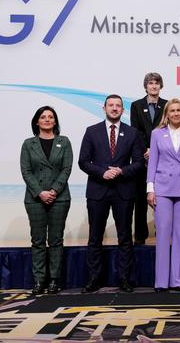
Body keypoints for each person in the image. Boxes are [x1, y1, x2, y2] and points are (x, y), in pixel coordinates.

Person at [78, 94, 145, 293]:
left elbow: (140, 163)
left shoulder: (132, 133)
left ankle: (124, 279)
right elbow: (83, 161)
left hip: (123, 191)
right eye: (111, 105)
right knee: (94, 237)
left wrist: (121, 171)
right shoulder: (92, 131)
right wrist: (103, 172)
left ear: (123, 110)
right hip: (98, 191)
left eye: (118, 106)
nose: (115, 108)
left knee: (125, 237)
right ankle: (93, 279)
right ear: (104, 108)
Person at [147, 99, 180, 292]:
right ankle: (161, 282)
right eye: (173, 111)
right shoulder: (156, 134)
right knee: (162, 234)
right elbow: (152, 162)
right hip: (162, 189)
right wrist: (150, 189)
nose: (176, 113)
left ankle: (178, 281)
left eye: (179, 110)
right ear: (167, 114)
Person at [20, 106, 73, 295]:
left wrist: (53, 191)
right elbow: (26, 171)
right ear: (37, 121)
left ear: (55, 121)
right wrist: (40, 192)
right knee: (38, 241)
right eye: (43, 117)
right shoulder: (28, 144)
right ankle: (39, 280)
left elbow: (66, 169)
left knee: (56, 240)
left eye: (51, 117)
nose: (47, 120)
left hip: (59, 198)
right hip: (35, 199)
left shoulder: (64, 142)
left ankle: (54, 280)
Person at [130, 72, 167, 245]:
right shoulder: (136, 105)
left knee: (161, 198)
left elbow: (167, 130)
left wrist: (156, 149)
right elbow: (135, 131)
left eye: (157, 83)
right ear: (146, 86)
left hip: (163, 158)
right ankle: (140, 236)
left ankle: (162, 232)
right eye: (151, 83)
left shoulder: (167, 105)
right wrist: (146, 149)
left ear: (161, 86)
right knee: (140, 198)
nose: (154, 86)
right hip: (142, 157)